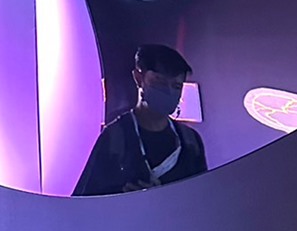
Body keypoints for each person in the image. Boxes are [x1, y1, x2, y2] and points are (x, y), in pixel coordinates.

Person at [73, 44, 207, 195]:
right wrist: (124, 196)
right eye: (160, 82)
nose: (168, 91)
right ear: (138, 78)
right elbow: (86, 200)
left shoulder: (190, 142)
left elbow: (202, 197)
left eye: (176, 86)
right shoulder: (115, 139)